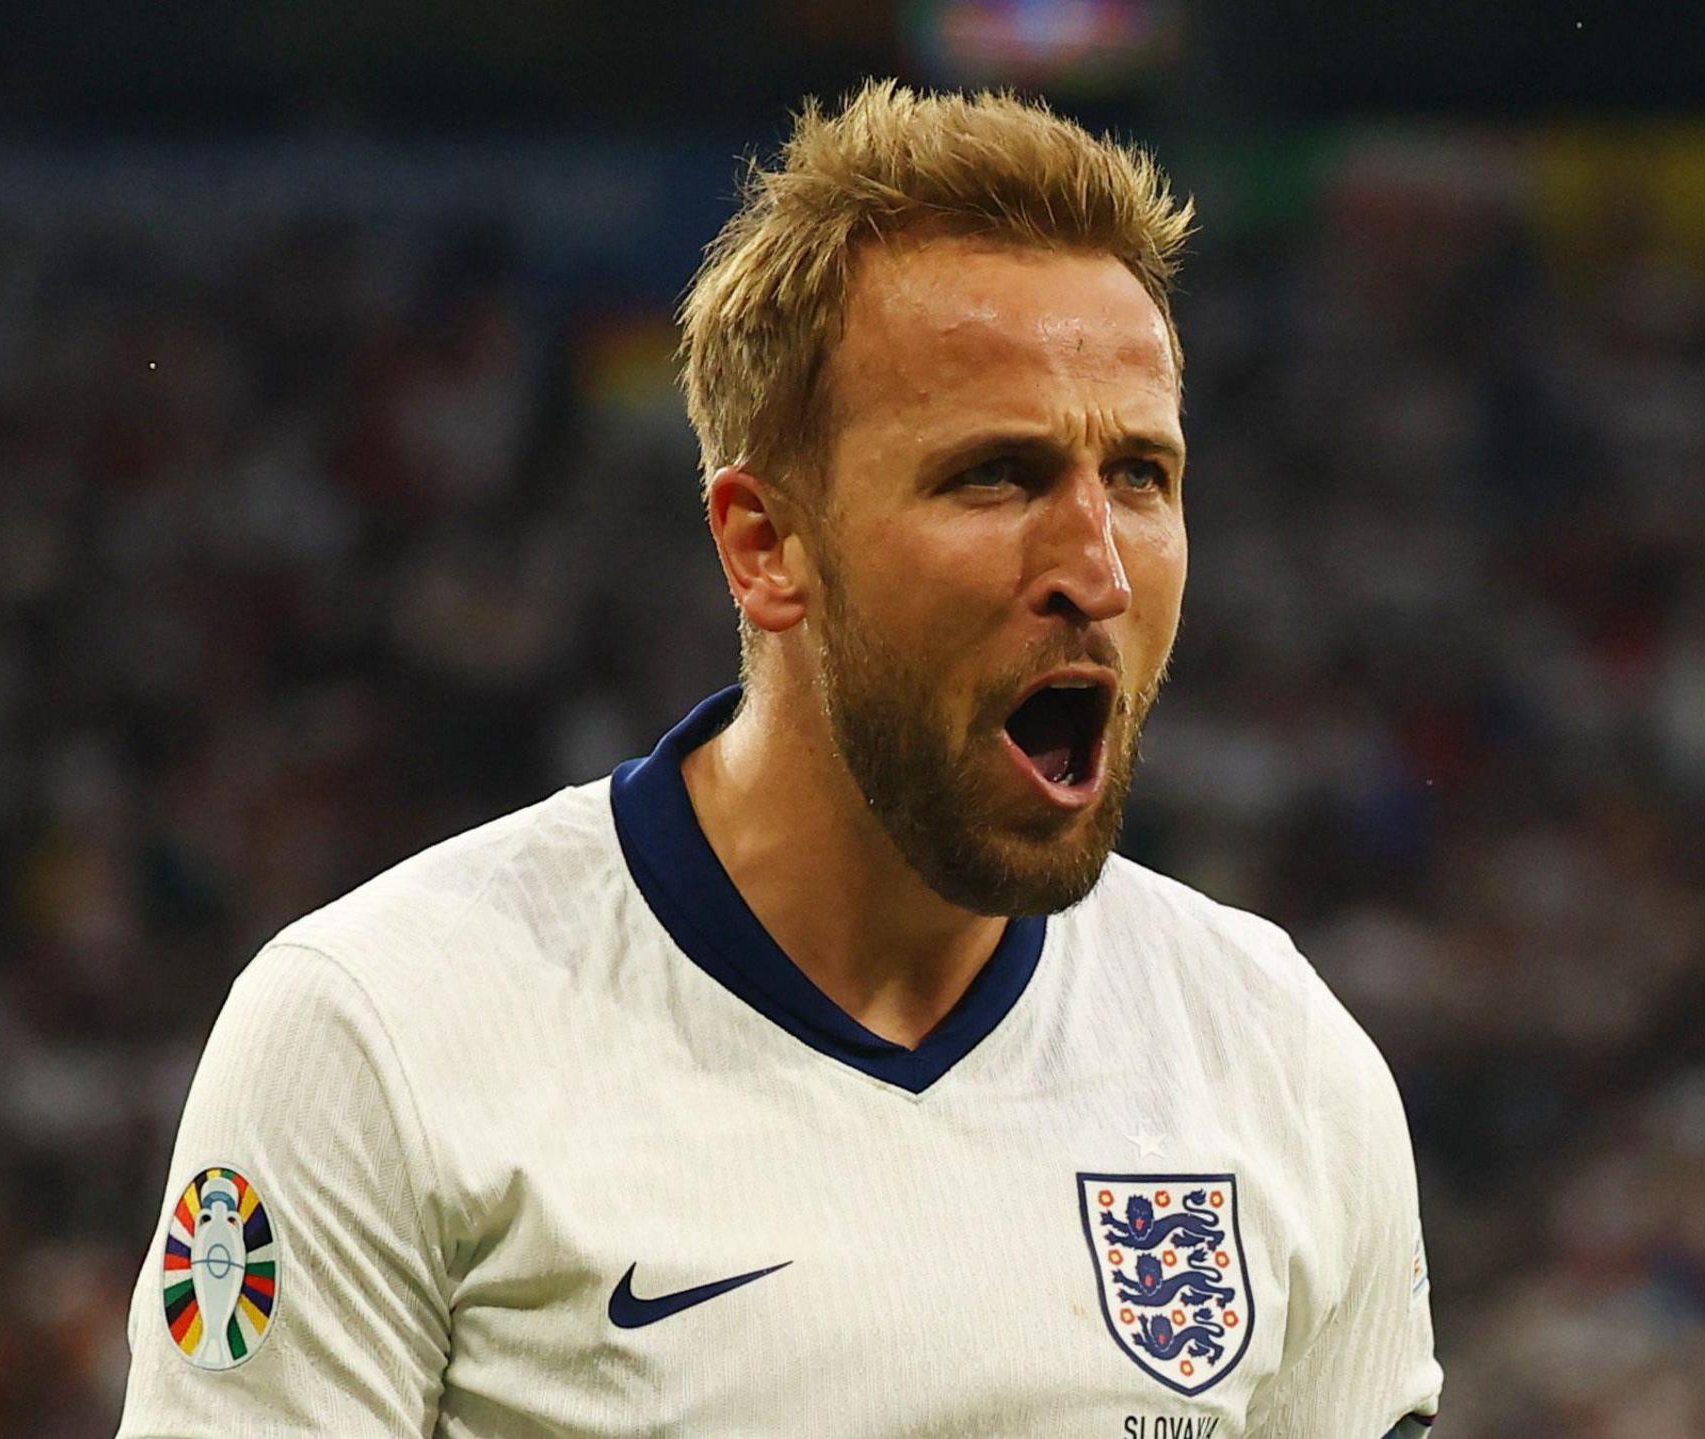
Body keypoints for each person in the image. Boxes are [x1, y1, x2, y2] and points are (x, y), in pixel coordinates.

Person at [118, 80, 1442, 1437]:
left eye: (1143, 478)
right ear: (765, 545)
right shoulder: (379, 1033)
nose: (1095, 570)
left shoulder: (1276, 1056)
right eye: (996, 475)